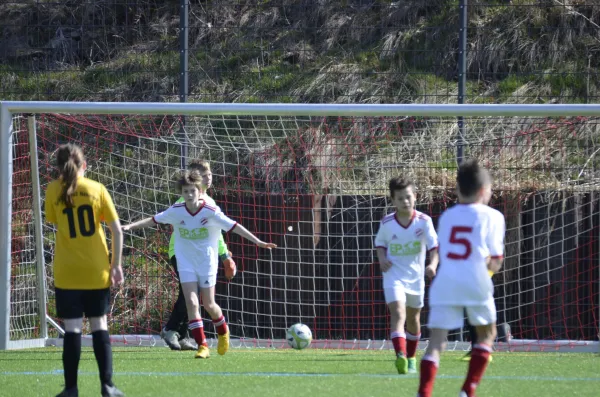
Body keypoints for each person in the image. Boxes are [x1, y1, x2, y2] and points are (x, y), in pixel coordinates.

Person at [122, 170, 276, 358]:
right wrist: (130, 226)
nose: (189, 195)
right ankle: (202, 345)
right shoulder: (176, 211)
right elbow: (154, 220)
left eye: (192, 191)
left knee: (209, 304)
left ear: (200, 191)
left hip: (207, 262)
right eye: (185, 191)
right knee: (192, 303)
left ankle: (223, 331)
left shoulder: (210, 211)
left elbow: (234, 226)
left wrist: (258, 242)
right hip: (185, 261)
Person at [417, 159, 505, 397]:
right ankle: (467, 391)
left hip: (445, 281)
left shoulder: (447, 216)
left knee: (436, 343)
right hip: (476, 280)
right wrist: (484, 273)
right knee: (487, 335)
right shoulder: (493, 216)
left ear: (457, 190)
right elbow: (496, 261)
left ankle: (423, 393)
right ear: (484, 191)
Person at [44, 144, 125, 397]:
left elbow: (55, 222)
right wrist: (116, 265)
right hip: (96, 270)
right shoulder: (96, 189)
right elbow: (117, 230)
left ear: (58, 168)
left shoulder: (53, 189)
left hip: (67, 271)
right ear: (84, 166)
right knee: (100, 324)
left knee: (73, 329)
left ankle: (71, 389)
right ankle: (107, 387)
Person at [160, 160, 236, 351]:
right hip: (181, 252)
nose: (208, 177)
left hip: (199, 254)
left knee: (193, 296)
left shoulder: (208, 202)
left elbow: (215, 232)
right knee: (190, 296)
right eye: (204, 174)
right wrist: (224, 255)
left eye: (210, 173)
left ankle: (183, 334)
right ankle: (170, 329)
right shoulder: (185, 201)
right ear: (194, 178)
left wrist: (225, 255)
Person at [374, 177, 439, 374]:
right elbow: (380, 244)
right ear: (393, 200)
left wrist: (433, 264)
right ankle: (400, 356)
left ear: (415, 197)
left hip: (416, 278)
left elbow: (434, 247)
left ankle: (411, 357)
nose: (405, 201)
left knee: (414, 319)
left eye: (408, 197)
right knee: (398, 313)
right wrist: (382, 259)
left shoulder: (424, 221)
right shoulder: (387, 223)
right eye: (400, 198)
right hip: (393, 276)